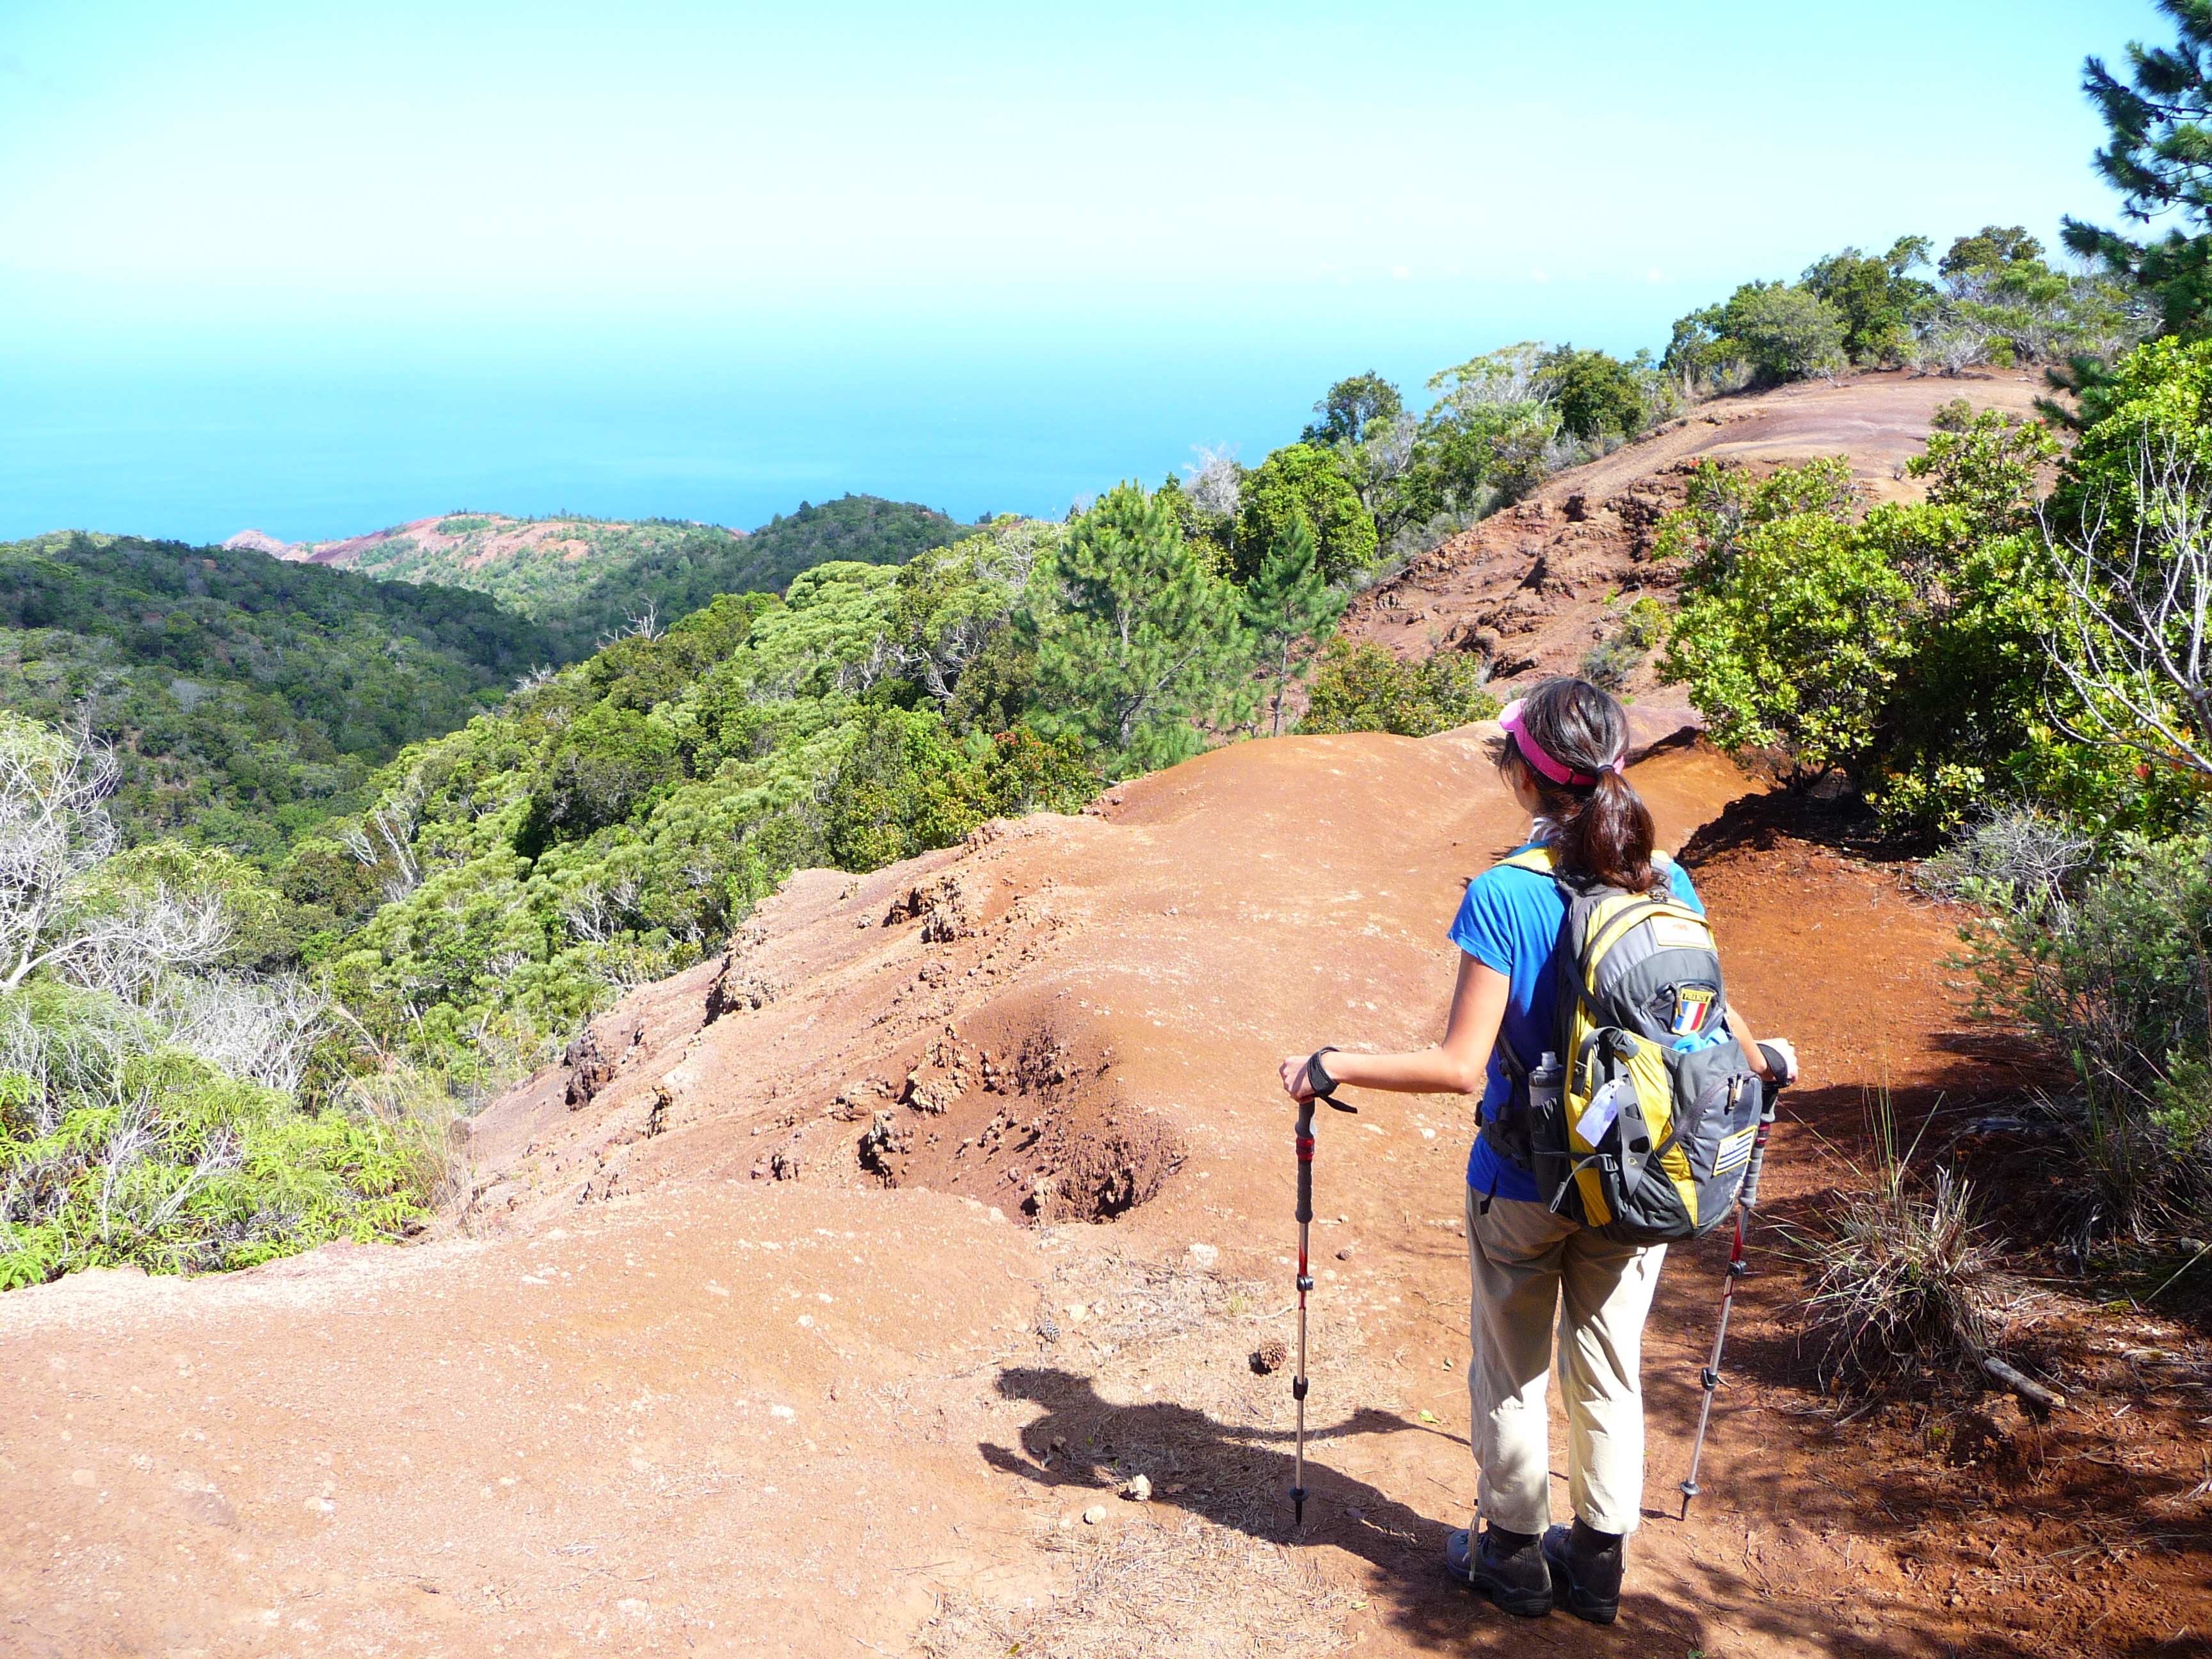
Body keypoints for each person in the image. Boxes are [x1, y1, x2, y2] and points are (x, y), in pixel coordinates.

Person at [1278, 676, 1795, 1625]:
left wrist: (1331, 1064)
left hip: (1523, 1180)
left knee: (1510, 1372)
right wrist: (1765, 1066)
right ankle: (1597, 1566)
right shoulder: (1665, 880)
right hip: (1636, 1176)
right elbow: (1708, 1022)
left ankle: (1513, 1557)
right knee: (1610, 1367)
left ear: (1523, 776)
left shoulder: (1504, 894)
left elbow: (1459, 1067)